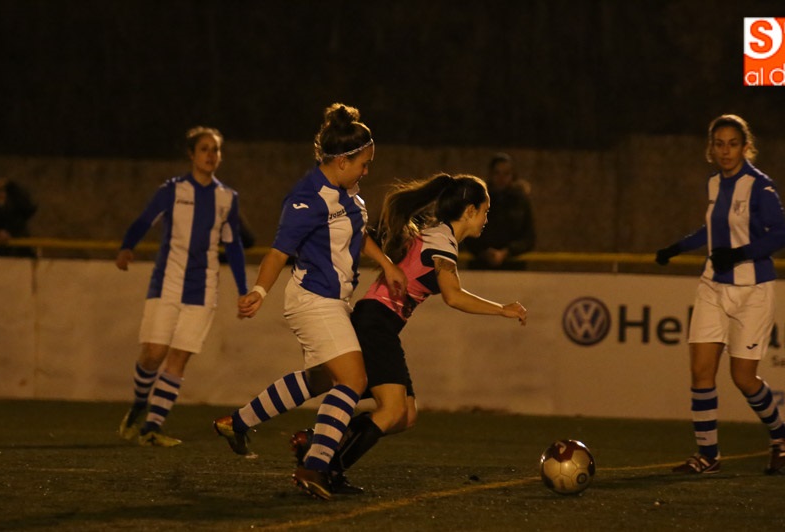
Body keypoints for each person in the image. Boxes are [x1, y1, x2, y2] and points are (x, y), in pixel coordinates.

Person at [212, 103, 406, 500]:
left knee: (325, 380)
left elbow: (359, 231)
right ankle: (314, 466)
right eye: (363, 164)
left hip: (334, 300)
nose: (367, 171)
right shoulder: (305, 199)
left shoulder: (348, 190)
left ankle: (238, 422)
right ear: (340, 161)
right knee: (354, 380)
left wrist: (386, 263)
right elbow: (277, 253)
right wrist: (259, 291)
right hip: (312, 300)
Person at [290, 173, 528, 491]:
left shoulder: (437, 234)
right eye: (485, 210)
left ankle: (320, 443)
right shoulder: (442, 243)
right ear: (469, 210)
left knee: (406, 416)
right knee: (390, 410)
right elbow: (453, 296)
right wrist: (503, 309)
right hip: (376, 323)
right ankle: (323, 468)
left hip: (379, 323)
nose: (487, 218)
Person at [655, 114, 785, 475]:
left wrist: (741, 253)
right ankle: (708, 456)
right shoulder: (715, 183)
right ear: (711, 149)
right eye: (719, 144)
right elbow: (713, 229)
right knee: (701, 370)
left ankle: (780, 434)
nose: (726, 150)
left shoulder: (760, 187)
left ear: (746, 147)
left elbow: (781, 236)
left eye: (733, 143)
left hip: (752, 291)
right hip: (713, 286)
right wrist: (676, 247)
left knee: (744, 378)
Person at [116, 126, 248, 447]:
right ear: (191, 155)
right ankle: (137, 405)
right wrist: (126, 246)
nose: (210, 155)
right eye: (204, 149)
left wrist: (244, 289)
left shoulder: (226, 198)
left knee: (178, 359)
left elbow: (233, 246)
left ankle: (152, 427)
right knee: (153, 353)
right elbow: (145, 220)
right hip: (167, 284)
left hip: (202, 290)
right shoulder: (172, 190)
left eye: (215, 150)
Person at [464, 153, 535, 270]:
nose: (501, 178)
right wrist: (484, 252)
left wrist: (507, 252)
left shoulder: (520, 200)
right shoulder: (478, 199)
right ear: (490, 174)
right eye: (497, 173)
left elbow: (528, 237)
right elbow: (467, 232)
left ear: (512, 176)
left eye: (506, 173)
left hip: (513, 266)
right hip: (481, 268)